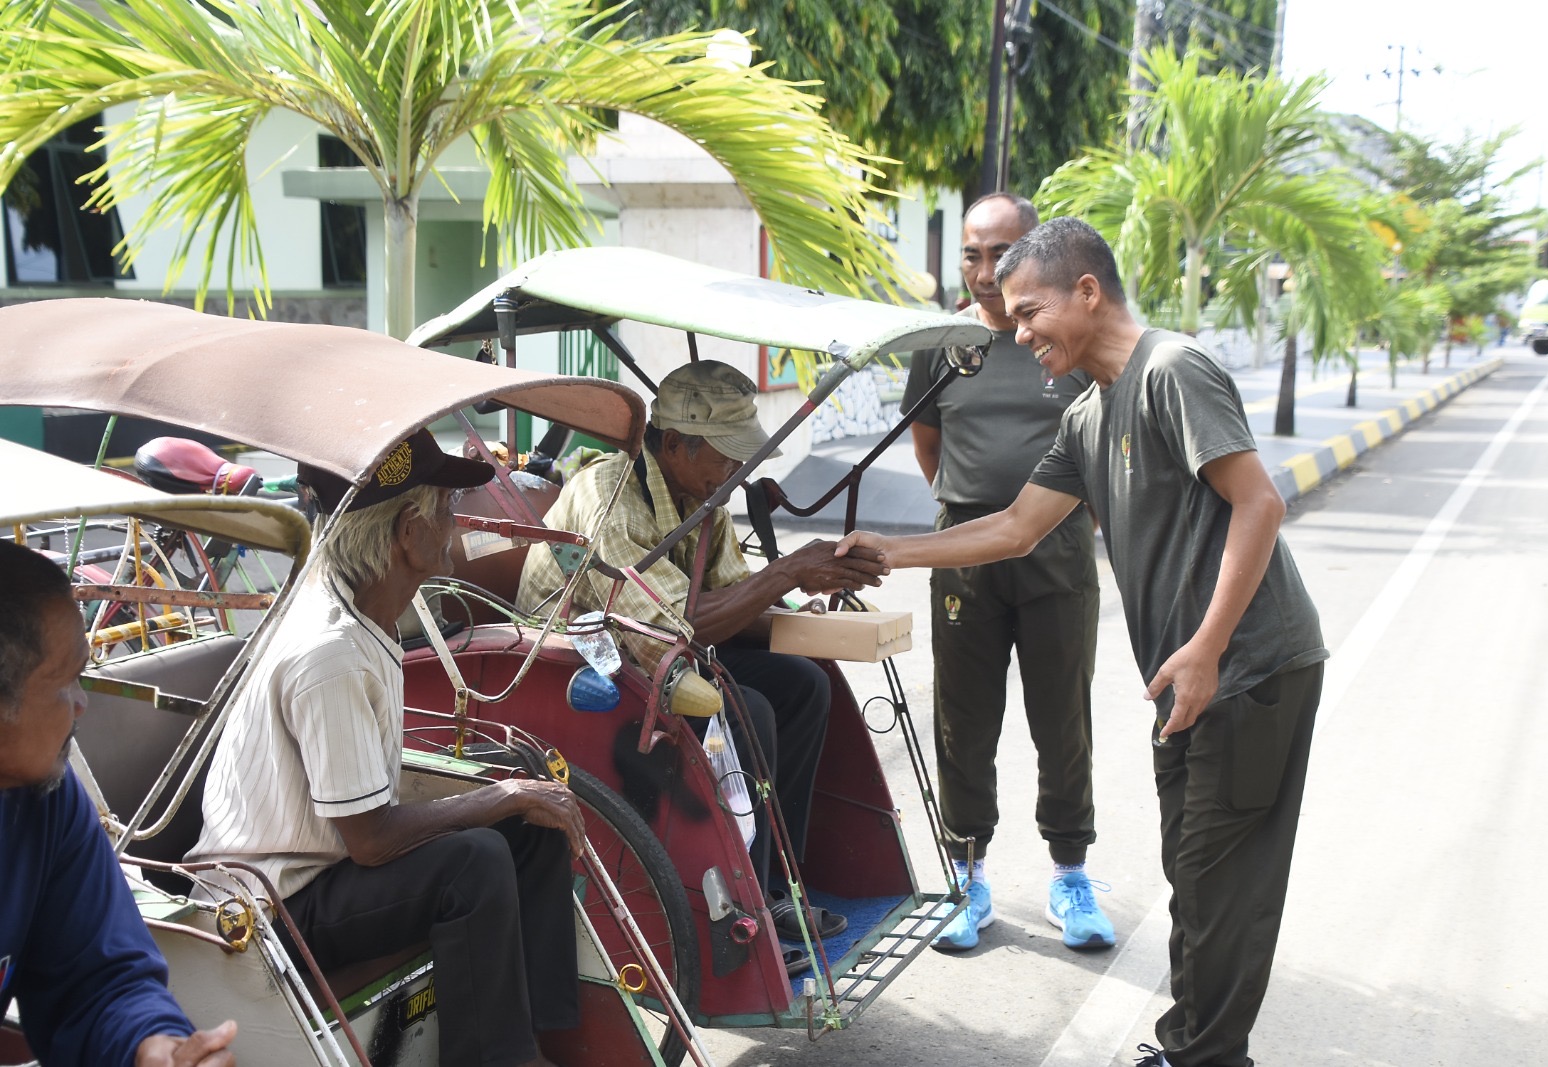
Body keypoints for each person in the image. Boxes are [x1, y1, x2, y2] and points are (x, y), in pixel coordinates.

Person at [840, 217, 1326, 1067]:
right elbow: (1017, 526)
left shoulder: (1172, 371)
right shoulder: (1090, 414)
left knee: (1221, 883)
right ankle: (1194, 1050)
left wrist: (1209, 647)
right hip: (1190, 677)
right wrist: (894, 550)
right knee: (1195, 872)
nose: (1019, 331)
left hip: (1250, 667)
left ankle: (1201, 1056)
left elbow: (1260, 503)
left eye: (1031, 312)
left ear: (1088, 292)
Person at [188, 429, 583, 1067]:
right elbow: (369, 841)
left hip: (327, 869)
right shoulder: (332, 650)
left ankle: (537, 1039)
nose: (458, 526)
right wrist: (496, 799)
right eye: (447, 511)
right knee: (477, 858)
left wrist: (507, 798)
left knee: (528, 824)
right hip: (278, 904)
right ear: (408, 531)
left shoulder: (362, 610)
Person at [516, 361, 888, 947]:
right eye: (725, 455)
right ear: (674, 445)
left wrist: (804, 599)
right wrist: (788, 568)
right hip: (584, 670)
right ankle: (743, 911)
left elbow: (733, 605)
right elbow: (668, 626)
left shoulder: (702, 495)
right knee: (750, 711)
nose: (739, 471)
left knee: (802, 685)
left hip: (657, 660)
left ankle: (772, 886)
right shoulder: (610, 494)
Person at [900, 192, 1112, 953]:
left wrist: (1058, 523)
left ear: (1036, 256)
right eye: (972, 255)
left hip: (1056, 553)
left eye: (1002, 254)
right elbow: (930, 447)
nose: (986, 272)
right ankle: (968, 876)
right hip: (965, 554)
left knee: (1063, 719)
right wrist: (971, 518)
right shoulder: (943, 342)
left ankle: (1070, 874)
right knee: (963, 717)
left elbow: (1098, 452)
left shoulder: (1064, 339)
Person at [0, 539, 236, 1067]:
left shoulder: (45, 800)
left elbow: (97, 981)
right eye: (65, 683)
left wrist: (153, 1047)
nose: (82, 705)